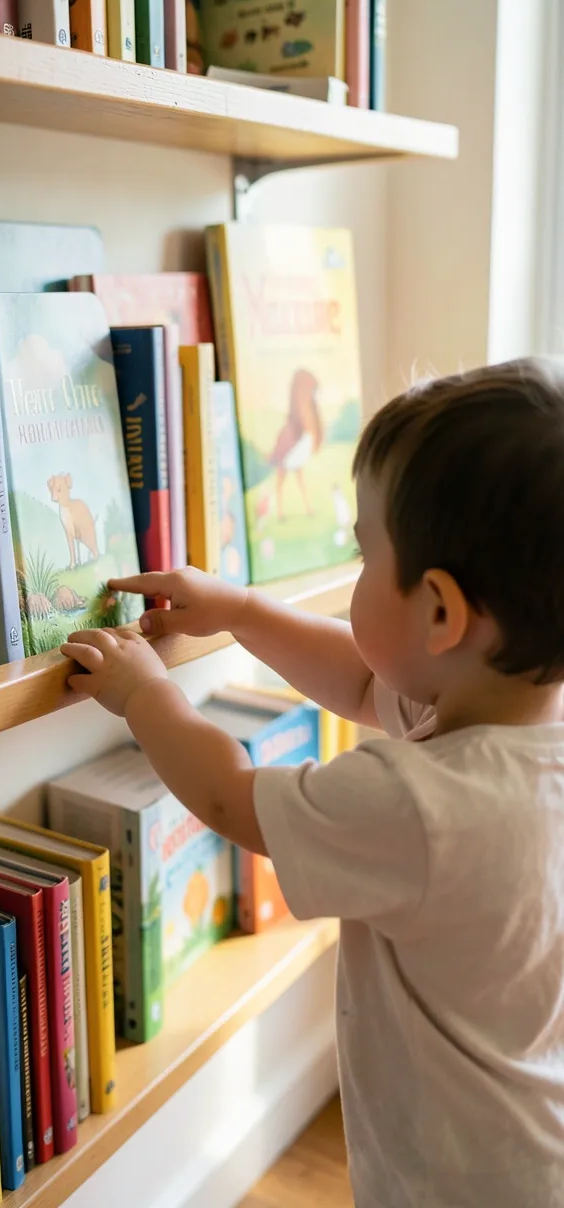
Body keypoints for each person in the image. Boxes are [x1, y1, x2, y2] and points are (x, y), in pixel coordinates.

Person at [62, 358, 564, 1207]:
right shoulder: (514, 723)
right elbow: (369, 685)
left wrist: (144, 691)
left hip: (458, 1183)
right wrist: (242, 611)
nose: (356, 570)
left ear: (440, 612)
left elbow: (230, 797)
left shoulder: (422, 805)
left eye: (364, 553)